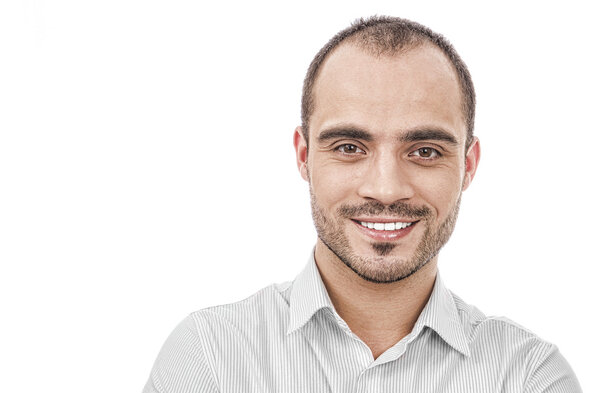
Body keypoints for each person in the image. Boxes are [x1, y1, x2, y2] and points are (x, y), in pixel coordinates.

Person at [142, 16, 581, 392]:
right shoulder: (209, 357)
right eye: (350, 147)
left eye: (424, 151)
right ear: (304, 156)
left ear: (468, 165)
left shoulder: (527, 376)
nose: (386, 190)